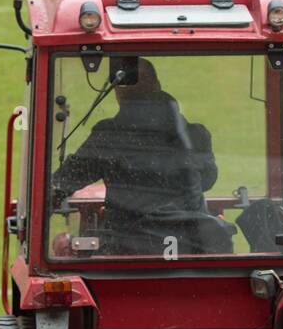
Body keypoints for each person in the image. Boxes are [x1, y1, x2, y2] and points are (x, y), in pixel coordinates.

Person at [52, 59, 219, 251]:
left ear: (118, 94)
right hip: (192, 244)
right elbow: (208, 180)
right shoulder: (197, 135)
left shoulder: (108, 136)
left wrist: (49, 197)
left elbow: (66, 180)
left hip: (127, 249)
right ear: (157, 86)